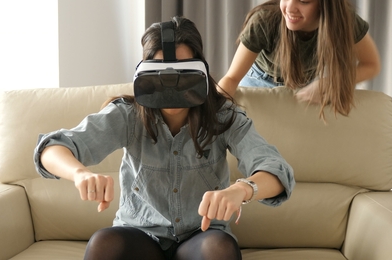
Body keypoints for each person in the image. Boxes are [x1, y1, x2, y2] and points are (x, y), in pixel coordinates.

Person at [34, 16, 295, 260]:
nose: (172, 86)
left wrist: (242, 189)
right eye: (160, 75)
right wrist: (80, 174)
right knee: (103, 244)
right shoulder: (128, 116)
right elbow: (51, 148)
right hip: (140, 234)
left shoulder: (222, 115)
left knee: (219, 250)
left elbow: (276, 170)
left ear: (201, 72)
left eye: (183, 74)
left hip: (201, 236)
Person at [218, 0, 381, 118]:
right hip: (257, 82)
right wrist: (212, 114)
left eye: (303, 1)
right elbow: (231, 79)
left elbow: (371, 65)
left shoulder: (344, 20)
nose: (289, 9)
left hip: (305, 87)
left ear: (325, 3)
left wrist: (329, 83)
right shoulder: (264, 21)